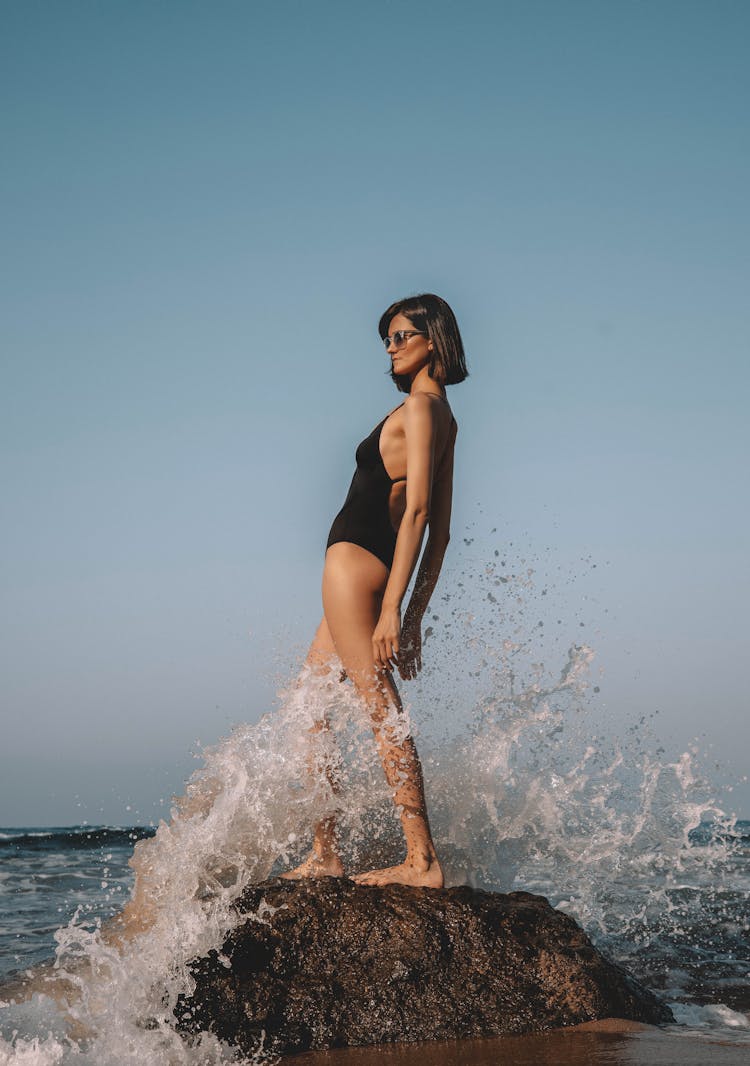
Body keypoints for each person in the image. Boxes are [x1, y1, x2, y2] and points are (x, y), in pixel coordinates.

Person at [282, 292, 467, 887]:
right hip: (373, 570)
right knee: (309, 704)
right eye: (386, 339)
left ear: (431, 341)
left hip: (355, 565)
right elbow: (440, 532)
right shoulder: (443, 417)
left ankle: (421, 859)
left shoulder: (420, 411)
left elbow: (417, 515)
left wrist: (394, 613)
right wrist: (411, 614)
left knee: (378, 705)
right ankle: (326, 851)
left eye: (400, 336)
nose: (389, 347)